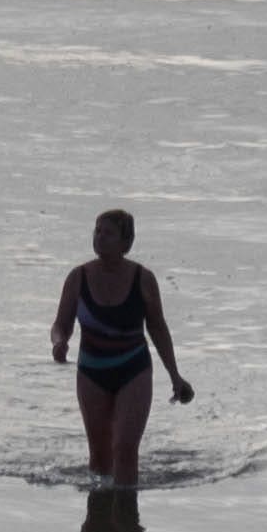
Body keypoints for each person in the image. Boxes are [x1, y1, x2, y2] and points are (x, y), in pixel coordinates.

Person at [54, 208, 192, 490]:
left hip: (134, 370)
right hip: (92, 372)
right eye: (97, 231)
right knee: (101, 455)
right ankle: (99, 520)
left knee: (125, 448)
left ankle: (127, 517)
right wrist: (59, 342)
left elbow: (158, 328)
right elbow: (61, 324)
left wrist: (175, 376)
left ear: (126, 243)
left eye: (109, 233)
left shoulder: (143, 279)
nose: (100, 238)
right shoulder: (78, 277)